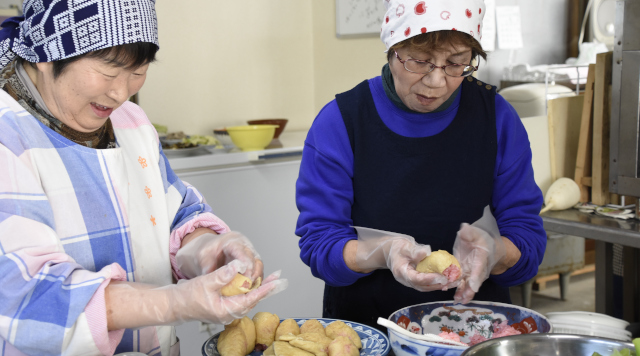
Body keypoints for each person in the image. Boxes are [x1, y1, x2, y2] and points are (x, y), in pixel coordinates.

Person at [0, 1, 287, 355]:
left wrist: (208, 249)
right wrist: (173, 303)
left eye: (138, 71)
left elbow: (175, 214)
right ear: (46, 54)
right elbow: (26, 293)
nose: (121, 93)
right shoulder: (7, 136)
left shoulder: (131, 122)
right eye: (108, 71)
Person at [295, 0, 547, 330]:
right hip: (368, 331)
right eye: (420, 61)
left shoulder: (497, 119)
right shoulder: (340, 121)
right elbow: (319, 243)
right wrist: (383, 252)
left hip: (477, 331)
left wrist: (496, 252)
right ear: (393, 47)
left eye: (456, 64)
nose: (436, 82)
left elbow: (527, 236)